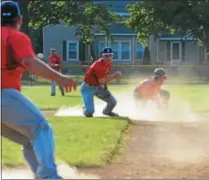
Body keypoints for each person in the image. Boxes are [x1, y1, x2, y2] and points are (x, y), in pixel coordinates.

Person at [1, 1, 76, 179]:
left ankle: (40, 175)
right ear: (20, 19)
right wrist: (59, 77)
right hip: (4, 94)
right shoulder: (15, 36)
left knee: (29, 140)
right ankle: (49, 176)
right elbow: (29, 62)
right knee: (42, 129)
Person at [80, 47, 122, 117]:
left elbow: (105, 76)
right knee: (90, 112)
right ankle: (85, 108)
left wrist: (105, 87)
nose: (108, 57)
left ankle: (107, 112)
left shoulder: (109, 63)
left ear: (112, 56)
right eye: (106, 55)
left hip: (98, 86)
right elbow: (102, 81)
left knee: (113, 102)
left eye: (110, 55)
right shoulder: (98, 65)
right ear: (102, 56)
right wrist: (114, 76)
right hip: (88, 88)